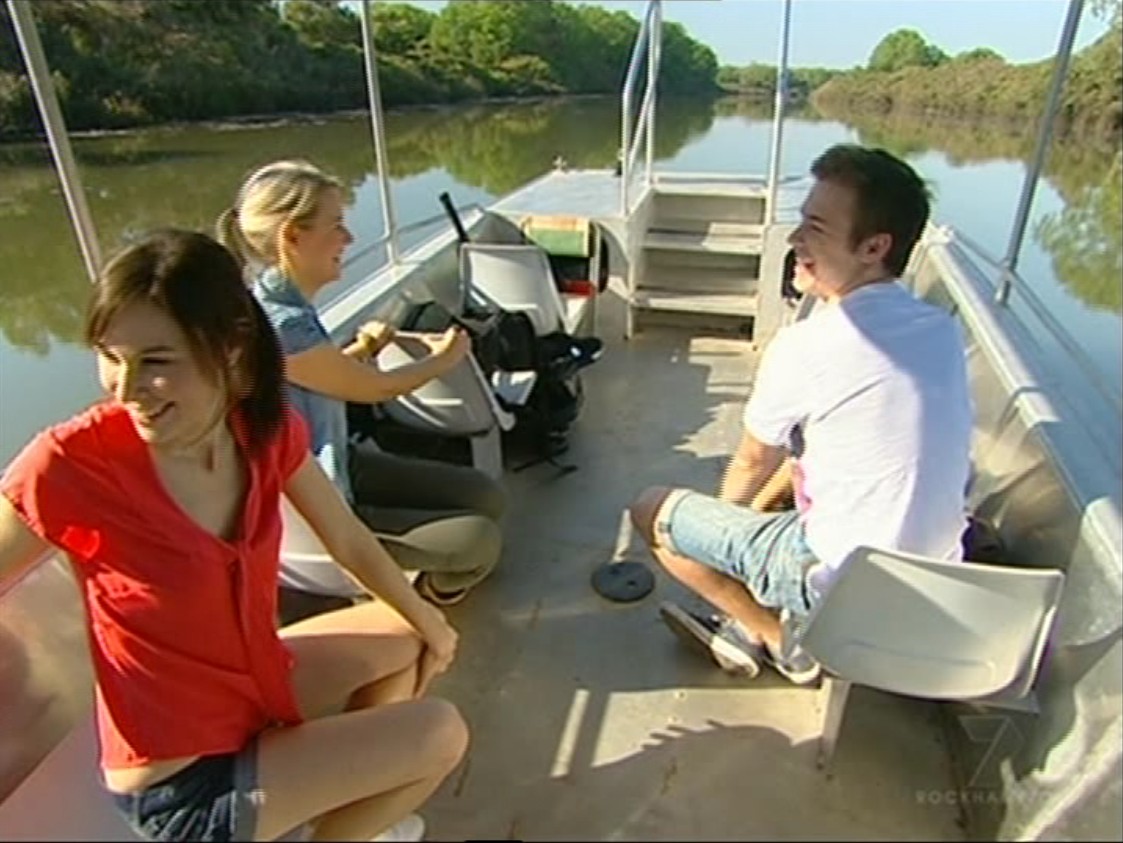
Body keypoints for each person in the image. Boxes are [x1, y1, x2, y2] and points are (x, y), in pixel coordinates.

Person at [0, 230, 467, 842]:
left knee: (405, 631)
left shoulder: (260, 428)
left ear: (230, 347)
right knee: (439, 732)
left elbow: (348, 540)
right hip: (182, 785)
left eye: (156, 362)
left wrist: (431, 624)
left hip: (250, 693)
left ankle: (337, 802)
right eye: (110, 356)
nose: (125, 387)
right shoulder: (70, 464)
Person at [630, 144, 973, 685]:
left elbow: (750, 462)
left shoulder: (807, 346)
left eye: (815, 228)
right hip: (937, 587)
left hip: (842, 591)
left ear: (874, 247)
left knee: (653, 510)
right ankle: (769, 604)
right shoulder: (942, 331)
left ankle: (776, 638)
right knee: (791, 477)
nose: (794, 239)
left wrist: (724, 538)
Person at [217, 160, 506, 613]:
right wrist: (445, 359)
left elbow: (318, 377)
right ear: (292, 236)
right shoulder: (282, 325)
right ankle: (413, 597)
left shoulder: (275, 304)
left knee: (485, 495)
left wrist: (367, 345)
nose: (349, 238)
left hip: (335, 462)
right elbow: (375, 389)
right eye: (336, 225)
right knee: (480, 541)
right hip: (319, 510)